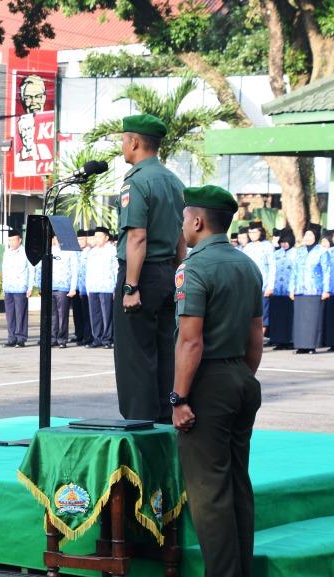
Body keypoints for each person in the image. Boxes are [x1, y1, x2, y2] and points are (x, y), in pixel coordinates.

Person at [172, 185, 263, 577]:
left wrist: (180, 397)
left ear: (197, 221)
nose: (182, 226)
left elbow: (190, 341)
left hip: (207, 381)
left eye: (184, 218)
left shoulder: (195, 268)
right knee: (237, 484)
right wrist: (242, 377)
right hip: (241, 378)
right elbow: (255, 335)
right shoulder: (247, 265)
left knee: (208, 491)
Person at [113, 114, 185, 423]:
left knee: (136, 355)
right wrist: (179, 277)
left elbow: (137, 236)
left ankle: (140, 425)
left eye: (124, 140)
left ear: (135, 142)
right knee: (166, 351)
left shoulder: (137, 181)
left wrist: (131, 286)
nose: (123, 146)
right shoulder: (174, 181)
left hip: (142, 274)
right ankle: (165, 421)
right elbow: (182, 236)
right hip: (168, 274)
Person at [289, 225, 330, 354]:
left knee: (312, 320)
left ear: (316, 237)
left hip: (315, 290)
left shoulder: (322, 251)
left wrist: (326, 290)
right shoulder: (298, 251)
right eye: (306, 235)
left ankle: (311, 346)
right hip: (300, 289)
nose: (307, 238)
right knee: (299, 320)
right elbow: (294, 271)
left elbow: (326, 271)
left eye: (310, 235)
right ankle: (301, 345)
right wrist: (291, 288)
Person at [242, 220, 276, 338]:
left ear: (260, 232)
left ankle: (259, 340)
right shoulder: (247, 247)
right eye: (250, 232)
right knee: (248, 314)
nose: (251, 234)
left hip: (263, 285)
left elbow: (272, 266)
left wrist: (270, 286)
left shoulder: (267, 246)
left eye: (254, 232)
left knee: (262, 315)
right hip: (248, 286)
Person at [86, 227, 118, 348]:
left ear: (106, 237)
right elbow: (88, 271)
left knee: (107, 315)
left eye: (99, 236)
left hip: (107, 287)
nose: (97, 239)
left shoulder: (112, 251)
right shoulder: (92, 252)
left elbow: (115, 269)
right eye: (95, 236)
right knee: (95, 314)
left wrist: (115, 288)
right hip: (93, 286)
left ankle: (107, 339)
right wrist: (88, 287)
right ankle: (97, 338)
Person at [2, 227, 33, 347]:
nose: (11, 243)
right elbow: (4, 270)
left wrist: (30, 287)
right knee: (10, 315)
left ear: (20, 240)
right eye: (9, 240)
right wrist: (4, 287)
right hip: (9, 288)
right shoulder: (7, 253)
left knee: (21, 314)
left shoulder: (25, 252)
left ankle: (21, 338)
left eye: (13, 240)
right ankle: (11, 338)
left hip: (21, 288)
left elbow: (31, 270)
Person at [268, 229, 296, 350]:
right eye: (282, 241)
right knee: (277, 317)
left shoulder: (296, 253)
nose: (284, 244)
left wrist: (293, 289)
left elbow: (297, 272)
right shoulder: (276, 254)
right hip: (277, 291)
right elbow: (272, 272)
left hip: (289, 292)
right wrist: (270, 287)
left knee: (289, 317)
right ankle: (278, 340)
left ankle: (289, 341)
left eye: (286, 241)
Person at [48, 236, 78, 348]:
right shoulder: (50, 251)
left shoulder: (70, 251)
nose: (57, 240)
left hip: (64, 287)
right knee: (52, 315)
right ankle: (52, 338)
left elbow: (74, 270)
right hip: (51, 286)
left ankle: (62, 339)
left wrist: (72, 288)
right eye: (55, 238)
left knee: (62, 315)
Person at [71, 230, 93, 347]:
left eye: (82, 239)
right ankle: (78, 334)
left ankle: (87, 336)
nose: (79, 242)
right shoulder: (75, 253)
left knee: (86, 314)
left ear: (87, 239)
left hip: (85, 288)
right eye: (78, 240)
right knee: (76, 313)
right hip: (76, 287)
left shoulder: (90, 253)